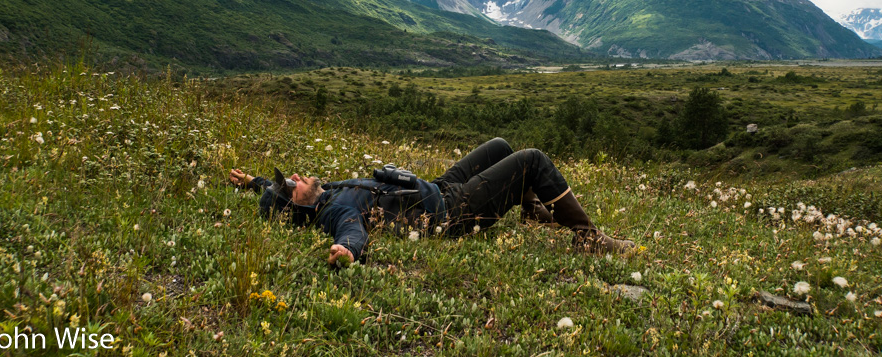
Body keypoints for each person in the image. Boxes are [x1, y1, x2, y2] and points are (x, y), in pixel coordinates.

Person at [229, 138, 634, 267]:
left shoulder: (325, 191)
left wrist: (254, 182)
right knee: (532, 160)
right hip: (449, 211)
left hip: (436, 187)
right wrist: (348, 252)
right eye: (290, 185)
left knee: (500, 147)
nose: (296, 178)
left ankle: (533, 213)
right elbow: (352, 233)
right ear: (297, 207)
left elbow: (275, 193)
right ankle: (587, 238)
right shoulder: (336, 210)